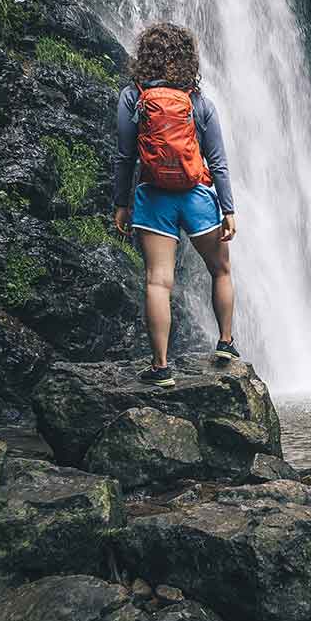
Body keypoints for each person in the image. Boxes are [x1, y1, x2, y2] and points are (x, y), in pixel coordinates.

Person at [112, 21, 240, 387]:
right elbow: (217, 162)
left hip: (153, 198)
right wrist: (228, 208)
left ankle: (161, 367)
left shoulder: (131, 97)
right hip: (197, 196)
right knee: (221, 269)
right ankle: (226, 343)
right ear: (187, 59)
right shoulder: (200, 102)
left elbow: (124, 157)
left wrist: (121, 203)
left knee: (158, 281)